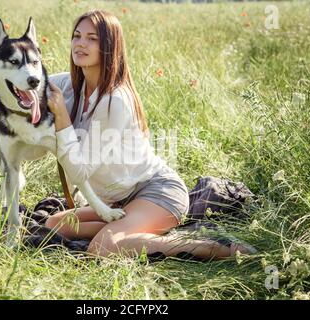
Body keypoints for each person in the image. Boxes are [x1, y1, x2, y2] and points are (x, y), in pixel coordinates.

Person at [45, 9, 255, 259]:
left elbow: (80, 171)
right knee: (53, 225)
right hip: (118, 201)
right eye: (77, 36)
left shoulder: (115, 100)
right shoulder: (71, 86)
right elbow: (33, 80)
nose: (80, 43)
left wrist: (60, 115)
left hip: (156, 192)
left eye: (92, 38)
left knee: (102, 248)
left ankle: (214, 247)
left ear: (109, 47)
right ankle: (129, 233)